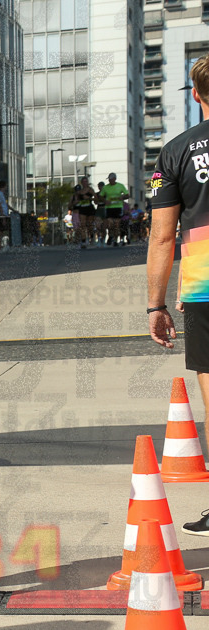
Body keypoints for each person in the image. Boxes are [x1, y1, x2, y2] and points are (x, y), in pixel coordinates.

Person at [147, 54, 209, 536]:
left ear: (195, 95)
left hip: (205, 276)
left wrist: (156, 304)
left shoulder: (174, 152)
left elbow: (162, 237)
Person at [99, 173, 129, 247]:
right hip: (109, 208)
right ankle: (111, 235)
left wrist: (122, 197)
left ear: (115, 179)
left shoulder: (120, 186)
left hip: (118, 207)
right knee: (110, 224)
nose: (110, 180)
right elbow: (101, 196)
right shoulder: (106, 187)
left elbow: (127, 195)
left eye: (111, 179)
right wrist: (105, 201)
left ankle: (115, 240)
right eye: (109, 179)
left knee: (116, 224)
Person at [71, 177, 98, 248]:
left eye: (86, 181)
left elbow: (96, 199)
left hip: (89, 208)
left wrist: (89, 198)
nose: (85, 183)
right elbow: (75, 200)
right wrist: (76, 202)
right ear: (82, 183)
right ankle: (83, 241)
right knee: (82, 225)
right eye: (83, 181)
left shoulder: (90, 190)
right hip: (82, 208)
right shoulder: (80, 191)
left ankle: (92, 238)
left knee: (89, 225)